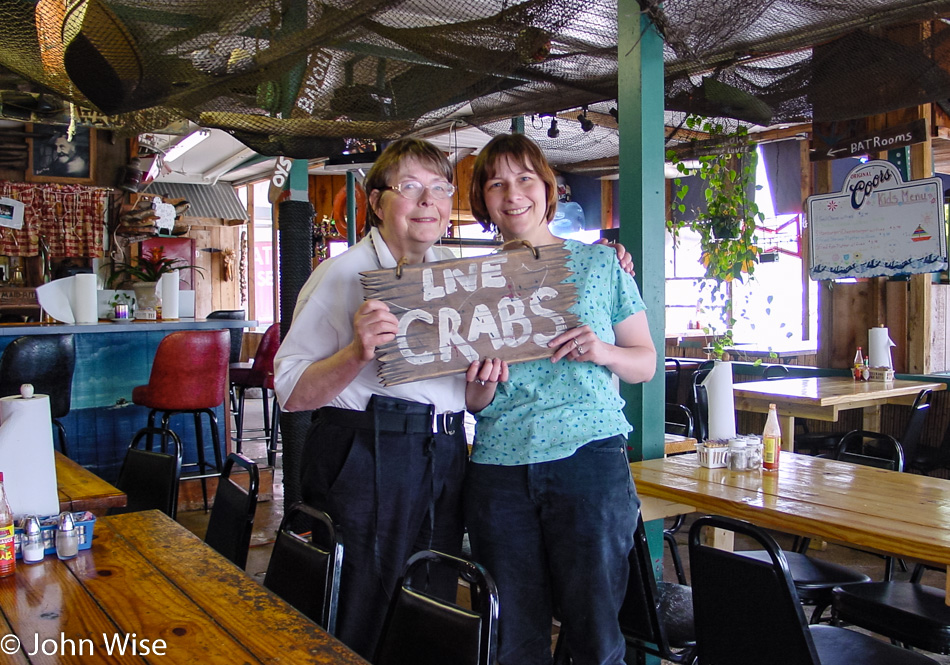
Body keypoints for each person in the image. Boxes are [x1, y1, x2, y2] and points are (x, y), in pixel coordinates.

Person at [273, 138, 506, 659]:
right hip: (367, 452)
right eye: (410, 187)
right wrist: (356, 352)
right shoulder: (340, 275)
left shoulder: (458, 277)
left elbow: (469, 400)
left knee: (432, 602)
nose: (429, 201)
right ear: (376, 203)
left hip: (445, 454)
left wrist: (486, 381)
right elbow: (289, 391)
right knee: (362, 608)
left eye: (440, 188)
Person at [463, 133, 657, 665]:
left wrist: (603, 351)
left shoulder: (601, 265)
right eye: (496, 182)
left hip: (587, 459)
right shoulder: (464, 283)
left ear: (547, 189)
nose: (513, 193)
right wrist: (480, 386)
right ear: (483, 198)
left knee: (594, 634)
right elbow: (475, 404)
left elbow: (645, 362)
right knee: (510, 638)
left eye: (525, 178)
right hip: (499, 467)